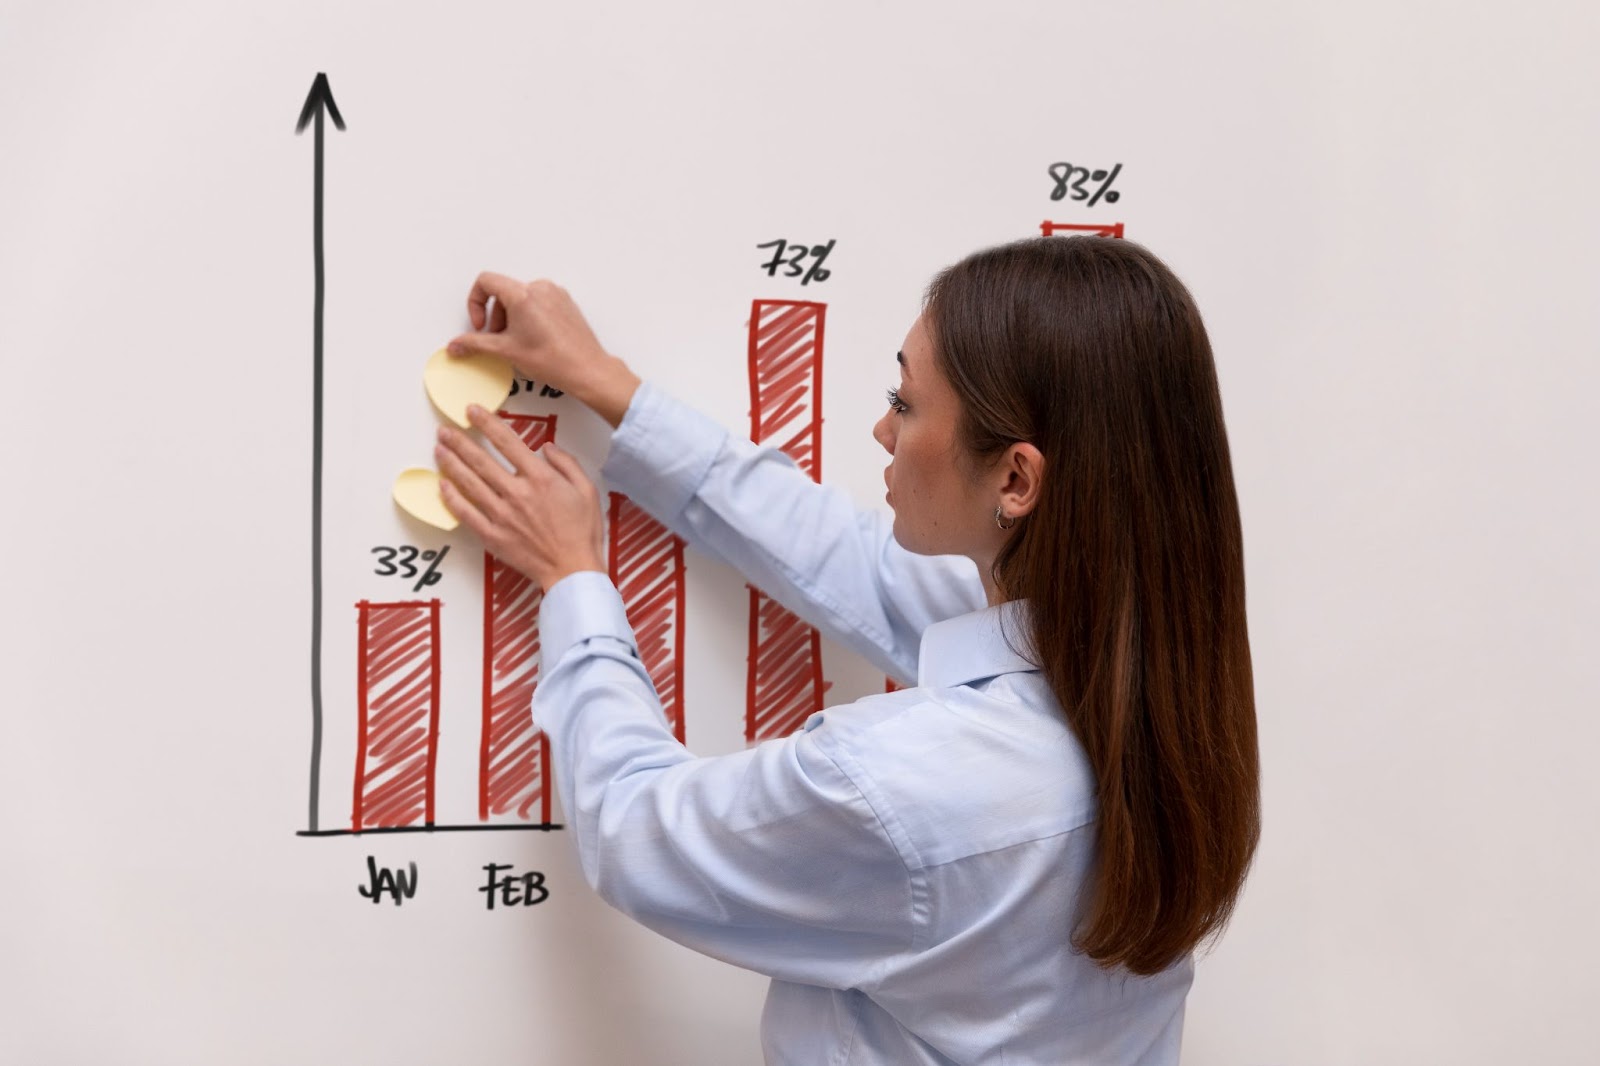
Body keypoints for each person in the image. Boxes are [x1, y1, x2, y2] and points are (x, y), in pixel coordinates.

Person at [433, 235, 1261, 1065]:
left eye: (903, 404)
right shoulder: (1150, 683)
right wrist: (609, 386)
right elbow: (846, 561)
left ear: (1016, 480)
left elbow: (637, 831)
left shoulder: (905, 784)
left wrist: (572, 575)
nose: (880, 428)